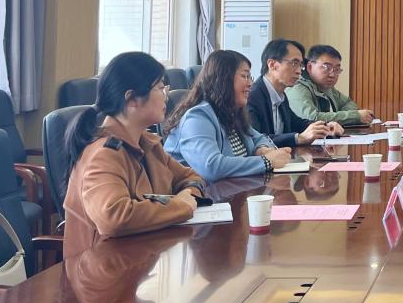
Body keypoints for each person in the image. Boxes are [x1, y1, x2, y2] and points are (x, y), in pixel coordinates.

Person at [62, 52, 206, 258]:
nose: (166, 96)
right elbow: (114, 217)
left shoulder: (147, 143)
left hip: (142, 257)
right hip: (104, 269)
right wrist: (181, 206)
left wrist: (188, 195)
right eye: (160, 88)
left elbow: (192, 177)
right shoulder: (104, 154)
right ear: (131, 99)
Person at [163, 50, 291, 183]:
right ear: (223, 79)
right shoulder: (197, 118)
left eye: (250, 77)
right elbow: (211, 167)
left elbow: (259, 138)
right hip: (199, 194)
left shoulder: (230, 113)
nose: (250, 84)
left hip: (232, 190)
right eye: (244, 76)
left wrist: (261, 149)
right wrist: (266, 161)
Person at [247, 38, 343, 147]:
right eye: (294, 63)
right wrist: (298, 138)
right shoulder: (252, 97)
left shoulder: (280, 94)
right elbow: (255, 140)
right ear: (272, 64)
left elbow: (295, 123)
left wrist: (325, 127)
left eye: (300, 65)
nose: (299, 71)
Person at [287, 45, 374, 126]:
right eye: (327, 67)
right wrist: (354, 116)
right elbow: (311, 119)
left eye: (337, 69)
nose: (332, 75)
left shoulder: (326, 87)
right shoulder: (296, 87)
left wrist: (337, 117)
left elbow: (349, 103)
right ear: (309, 67)